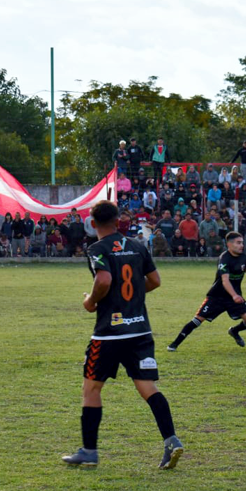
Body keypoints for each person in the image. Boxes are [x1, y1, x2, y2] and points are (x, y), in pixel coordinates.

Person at [61, 200, 183, 469]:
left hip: (109, 333)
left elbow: (103, 280)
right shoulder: (138, 246)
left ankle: (89, 451)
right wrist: (133, 297)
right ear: (119, 221)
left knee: (91, 388)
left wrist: (90, 301)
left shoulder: (97, 248)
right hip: (140, 329)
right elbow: (155, 281)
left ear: (92, 224)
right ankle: (171, 440)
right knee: (148, 388)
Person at [167, 231, 246, 351]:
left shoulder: (243, 257)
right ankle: (174, 344)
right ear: (229, 244)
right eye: (238, 243)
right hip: (217, 297)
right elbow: (225, 280)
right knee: (197, 320)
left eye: (242, 243)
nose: (241, 245)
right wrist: (234, 295)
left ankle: (234, 331)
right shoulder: (224, 259)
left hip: (234, 297)